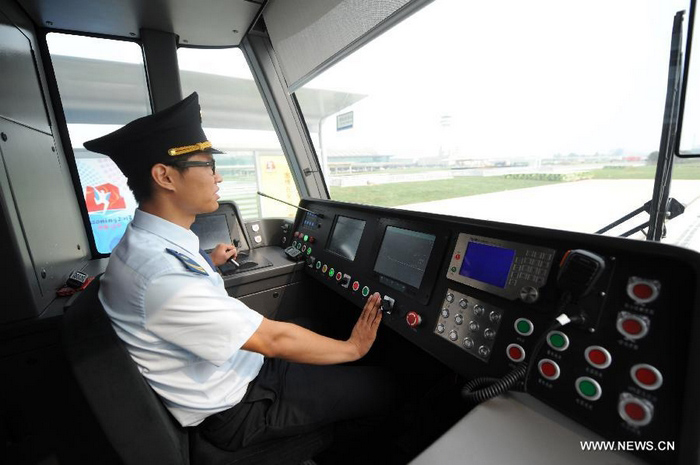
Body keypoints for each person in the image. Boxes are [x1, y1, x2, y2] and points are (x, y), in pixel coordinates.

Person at [84, 92, 396, 461]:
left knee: (315, 322)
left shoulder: (146, 245)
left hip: (239, 371)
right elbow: (272, 338)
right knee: (386, 387)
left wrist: (209, 262)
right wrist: (353, 348)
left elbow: (172, 281)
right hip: (239, 408)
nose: (216, 176)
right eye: (205, 164)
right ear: (164, 175)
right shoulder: (162, 277)